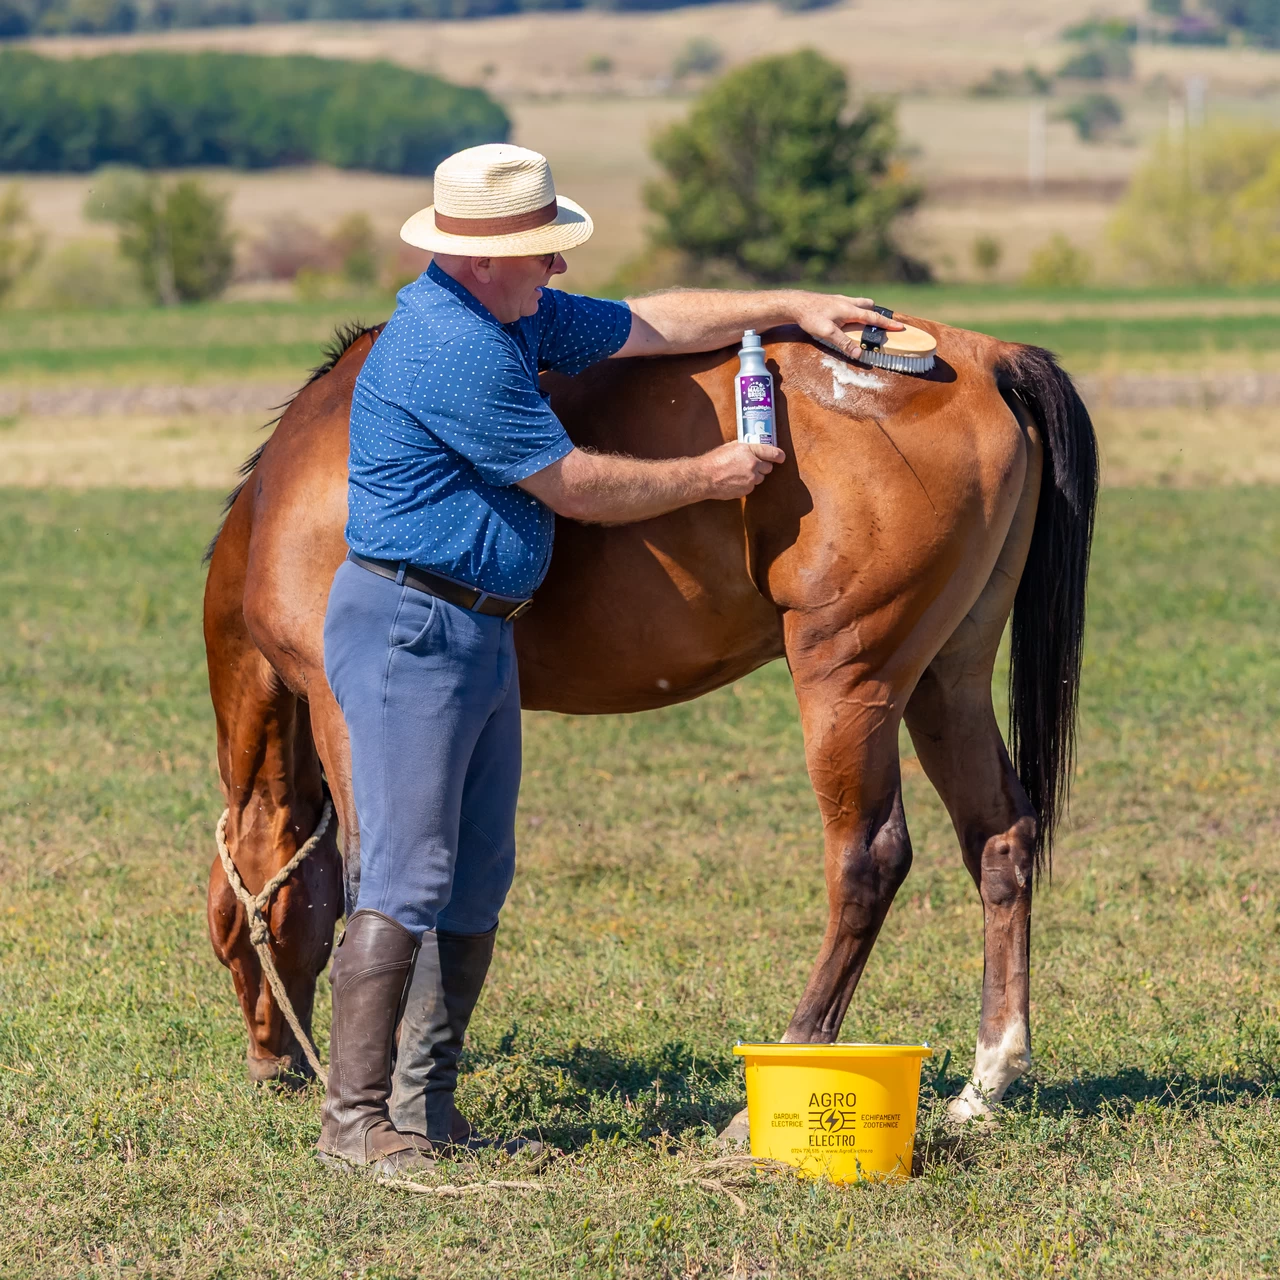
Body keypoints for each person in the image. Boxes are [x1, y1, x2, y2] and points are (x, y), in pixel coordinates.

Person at [317, 143, 904, 1176]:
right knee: (408, 874)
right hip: (414, 624)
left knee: (474, 876)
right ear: (480, 257)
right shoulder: (446, 347)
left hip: (476, 623)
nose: (557, 271)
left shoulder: (513, 313)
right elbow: (575, 484)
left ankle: (427, 1109)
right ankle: (355, 1122)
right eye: (541, 253)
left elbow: (655, 320)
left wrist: (794, 304)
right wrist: (710, 474)